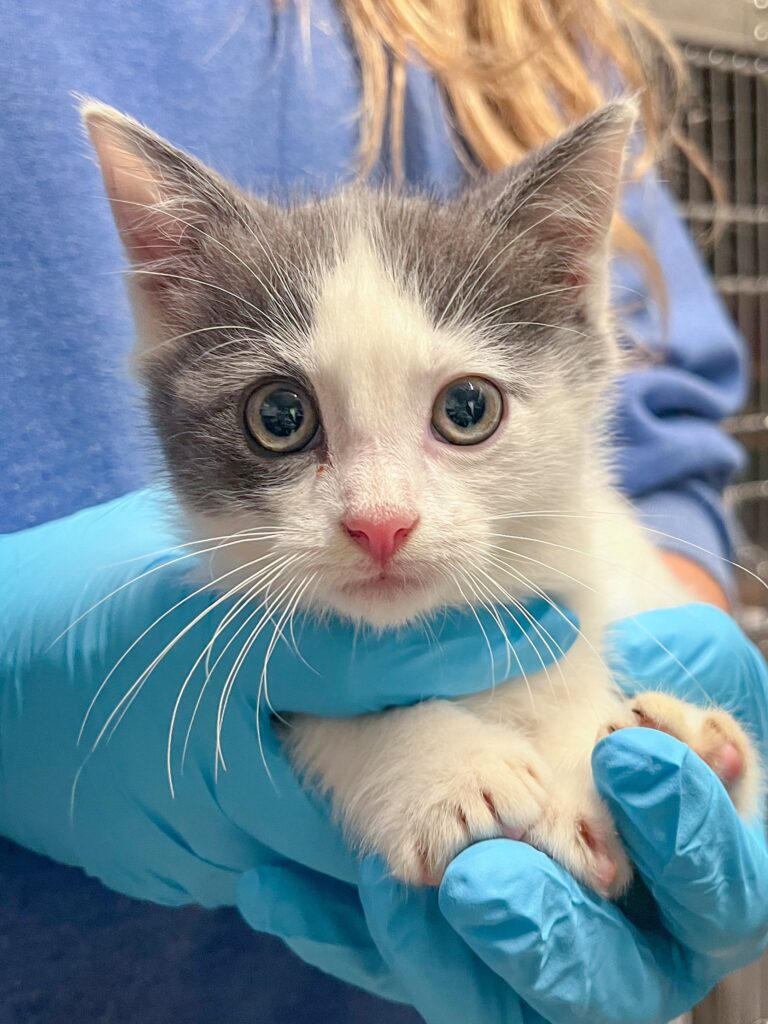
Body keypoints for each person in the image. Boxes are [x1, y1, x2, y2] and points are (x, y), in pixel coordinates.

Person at [1, 2, 766, 1023]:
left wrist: (657, 709)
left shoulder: (518, 27)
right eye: (283, 417)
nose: (379, 515)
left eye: (465, 409)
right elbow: (316, 719)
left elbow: (669, 445)